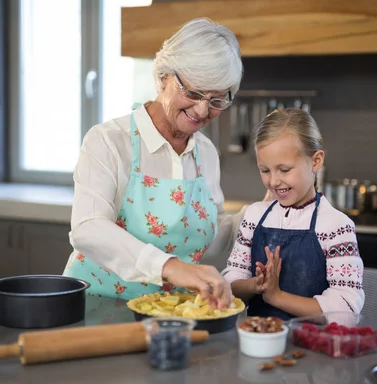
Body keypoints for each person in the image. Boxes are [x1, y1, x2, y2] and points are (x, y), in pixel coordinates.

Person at [63, 18, 244, 310]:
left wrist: (256, 215)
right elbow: (88, 228)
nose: (202, 110)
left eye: (217, 100)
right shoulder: (109, 141)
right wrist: (170, 267)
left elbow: (204, 234)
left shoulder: (206, 152)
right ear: (163, 77)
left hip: (168, 313)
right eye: (194, 93)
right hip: (99, 307)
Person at [222, 108, 365, 319]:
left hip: (314, 346)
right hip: (260, 341)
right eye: (265, 170)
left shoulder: (335, 226)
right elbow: (229, 285)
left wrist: (276, 296)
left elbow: (345, 309)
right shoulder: (254, 217)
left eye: (285, 169)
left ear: (316, 161)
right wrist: (255, 284)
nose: (273, 181)